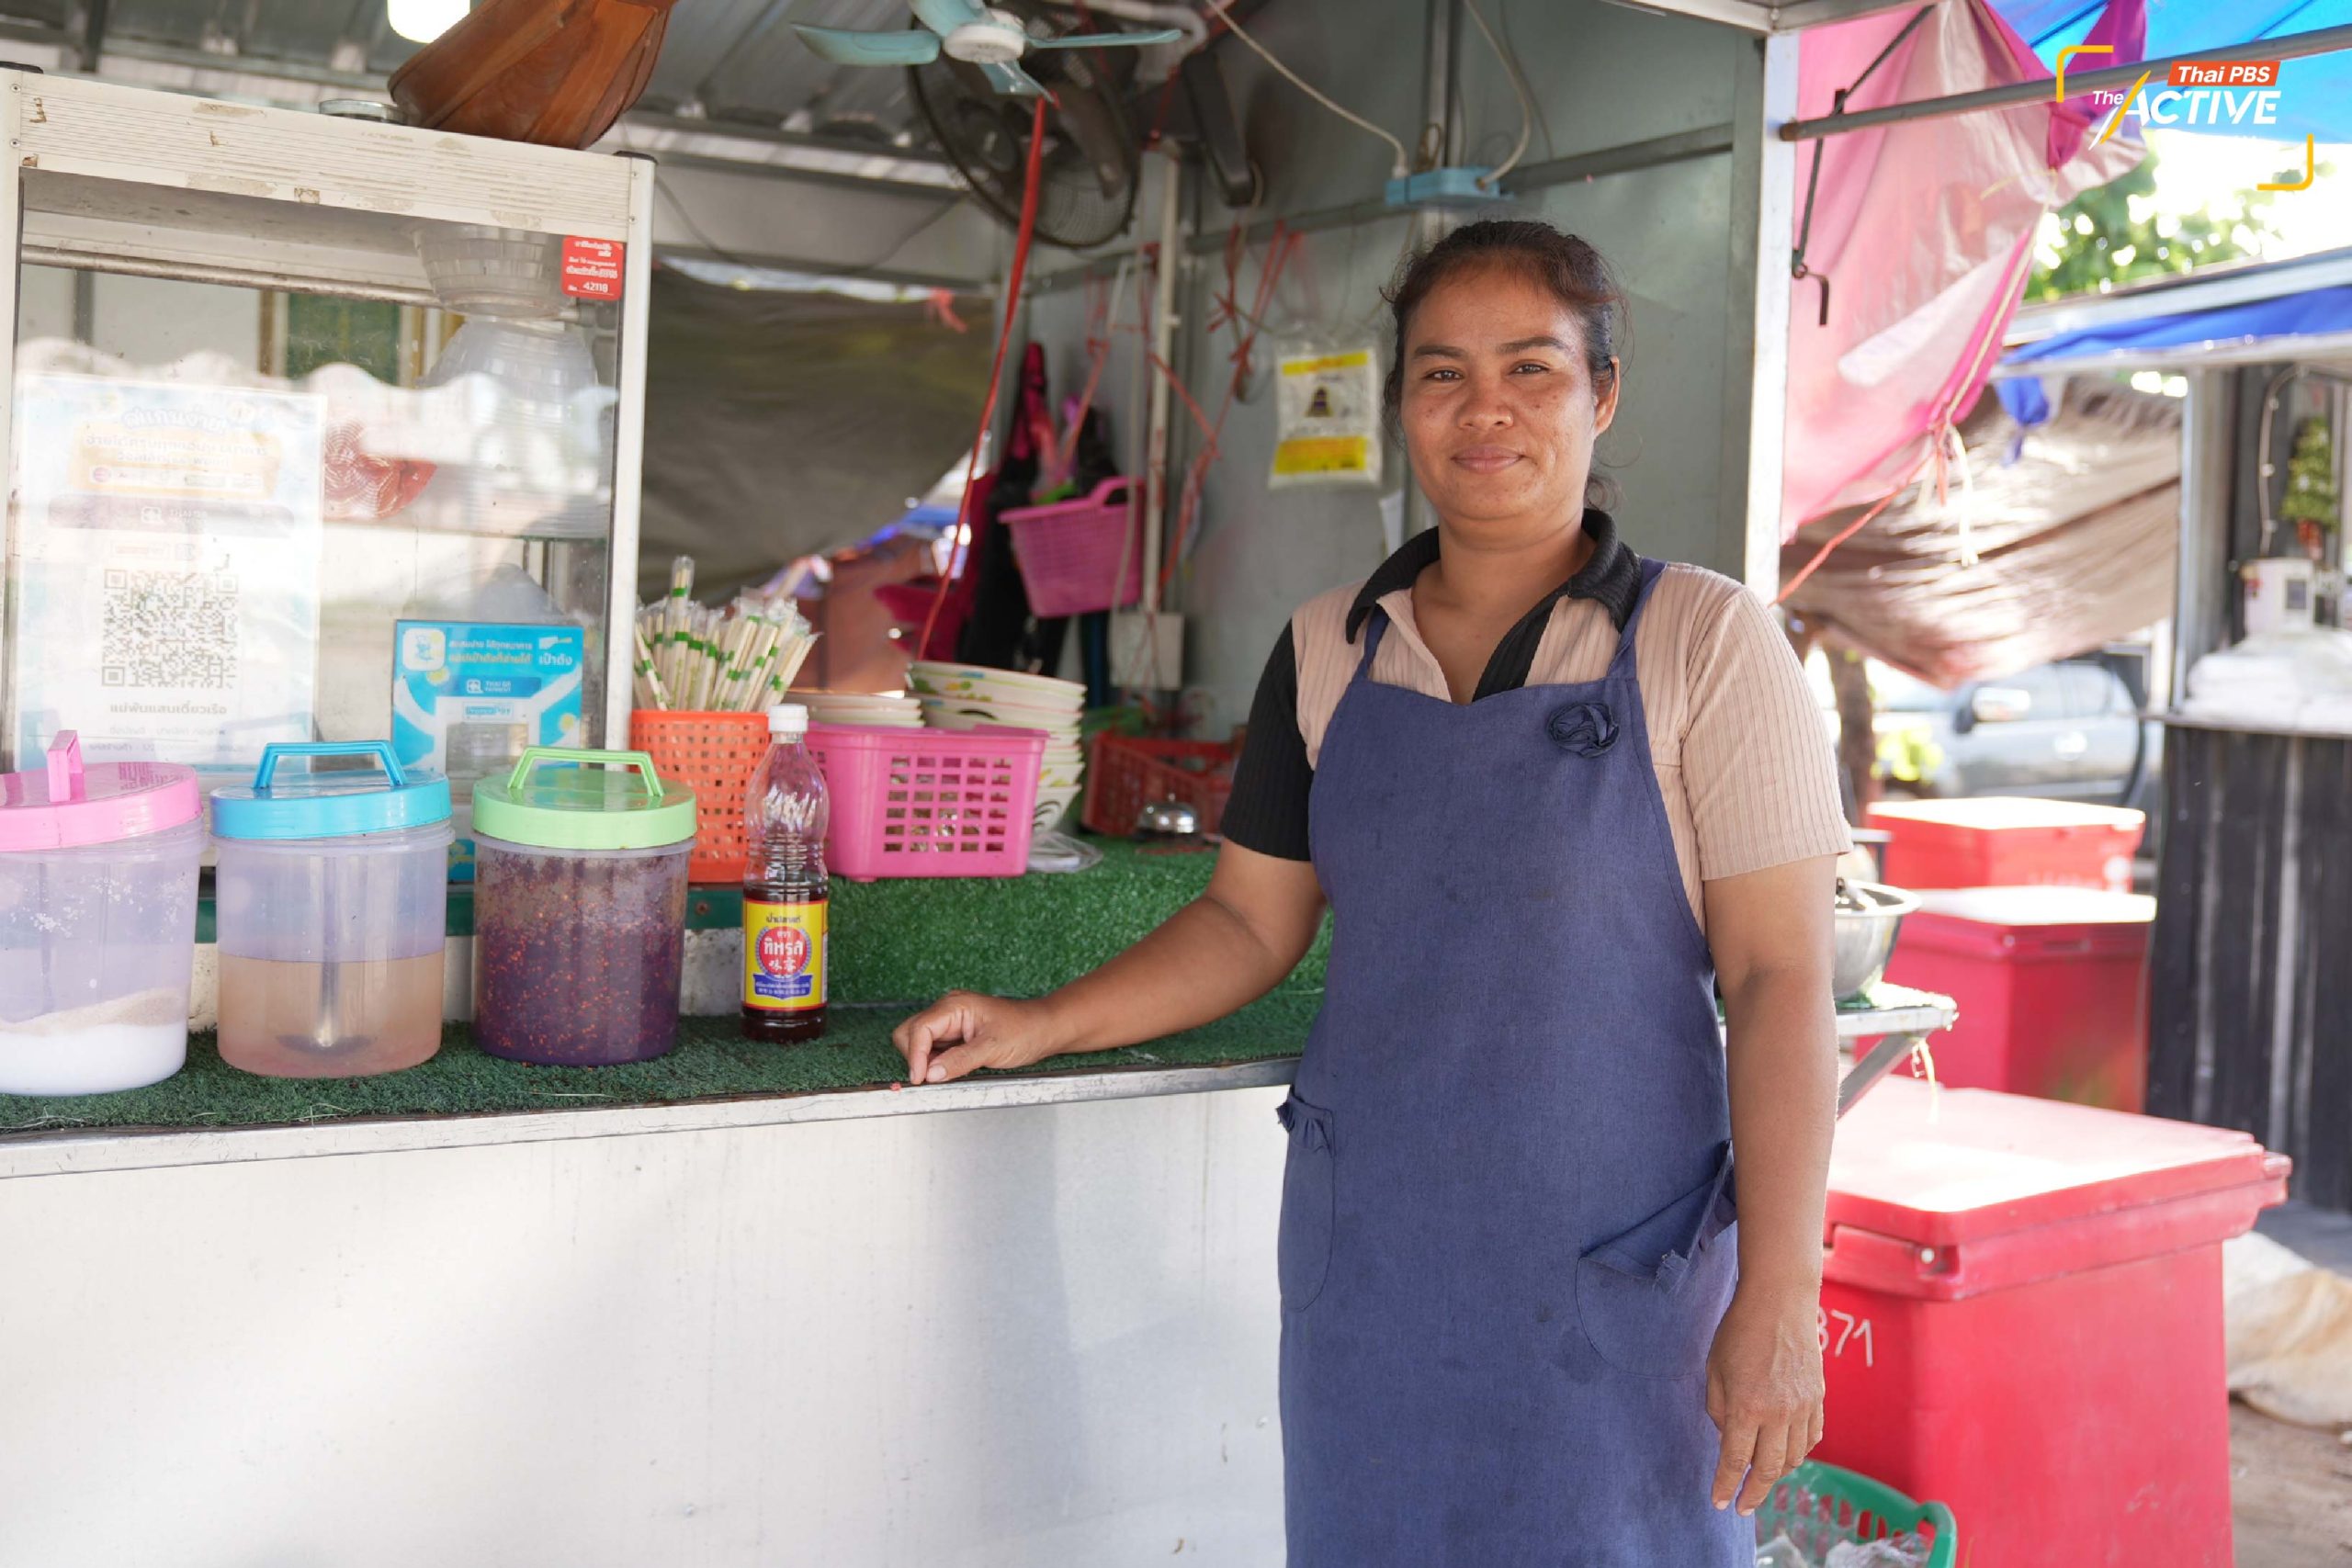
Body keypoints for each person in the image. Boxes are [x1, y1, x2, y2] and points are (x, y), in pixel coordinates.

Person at [893, 219, 1849, 1565]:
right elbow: (1248, 921)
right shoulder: (1330, 646)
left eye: (1533, 370)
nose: (1487, 411)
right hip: (1375, 1269)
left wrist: (1783, 1291)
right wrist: (1040, 1021)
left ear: (1605, 394)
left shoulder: (1705, 640)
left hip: (1616, 1273)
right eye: (1442, 373)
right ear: (1401, 403)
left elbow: (1779, 980)